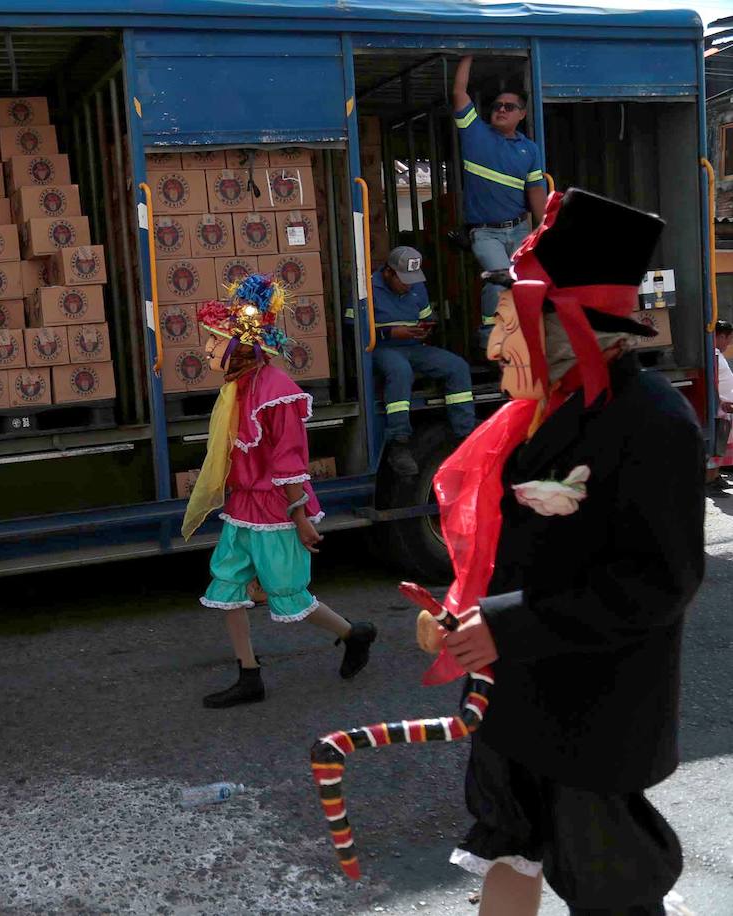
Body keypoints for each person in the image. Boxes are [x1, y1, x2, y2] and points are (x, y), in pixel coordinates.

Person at [425, 190, 700, 915]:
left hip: (592, 709)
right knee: (506, 844)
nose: (493, 345)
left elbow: (655, 583)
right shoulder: (534, 413)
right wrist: (464, 620)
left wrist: (504, 625)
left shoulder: (653, 422)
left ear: (568, 323)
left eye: (508, 319)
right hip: (514, 695)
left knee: (609, 883)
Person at [182, 275, 377, 709]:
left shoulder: (278, 393)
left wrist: (300, 515)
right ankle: (249, 675)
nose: (207, 350)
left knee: (290, 594)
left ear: (241, 348)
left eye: (215, 343)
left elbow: (289, 460)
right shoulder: (238, 387)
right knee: (228, 583)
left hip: (275, 506)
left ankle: (353, 634)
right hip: (244, 503)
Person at [453, 56, 548, 346]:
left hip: (519, 229)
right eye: (497, 106)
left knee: (527, 283)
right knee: (499, 279)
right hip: (485, 232)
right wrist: (468, 53)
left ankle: (524, 337)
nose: (501, 110)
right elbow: (459, 93)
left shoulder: (529, 150)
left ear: (522, 114)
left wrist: (545, 229)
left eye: (509, 107)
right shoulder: (474, 133)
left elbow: (535, 192)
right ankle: (488, 338)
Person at [370, 246, 476, 477]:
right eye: (403, 280)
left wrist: (424, 330)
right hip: (382, 349)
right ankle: (399, 442)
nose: (408, 285)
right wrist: (389, 333)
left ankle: (466, 437)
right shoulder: (368, 288)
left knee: (457, 367)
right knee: (400, 371)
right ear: (388, 272)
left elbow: (427, 318)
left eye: (412, 280)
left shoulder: (417, 286)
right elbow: (352, 329)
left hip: (414, 346)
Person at [708, 319, 733, 488]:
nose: (729, 343)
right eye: (729, 339)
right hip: (721, 408)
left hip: (724, 407)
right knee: (717, 443)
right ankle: (712, 479)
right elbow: (713, 381)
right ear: (720, 336)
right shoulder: (715, 354)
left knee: (721, 444)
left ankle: (715, 476)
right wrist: (719, 403)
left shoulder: (716, 354)